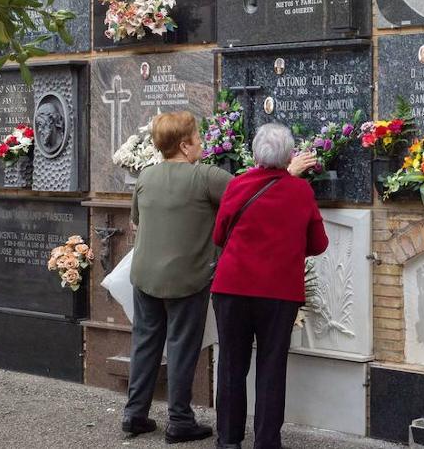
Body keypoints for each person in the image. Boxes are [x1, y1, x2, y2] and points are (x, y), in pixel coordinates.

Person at [211, 123, 325, 449]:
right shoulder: (300, 191)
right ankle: (266, 442)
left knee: (232, 365)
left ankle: (229, 441)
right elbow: (318, 243)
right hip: (278, 293)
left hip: (231, 288)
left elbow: (219, 236)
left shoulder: (237, 185)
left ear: (256, 153)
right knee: (271, 369)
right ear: (290, 155)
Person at [124, 111, 227, 443]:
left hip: (145, 275)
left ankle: (134, 414)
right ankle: (180, 420)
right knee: (182, 347)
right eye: (198, 137)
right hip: (187, 278)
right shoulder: (207, 177)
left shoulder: (146, 176)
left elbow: (136, 222)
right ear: (184, 145)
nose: (201, 142)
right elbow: (247, 197)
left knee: (144, 343)